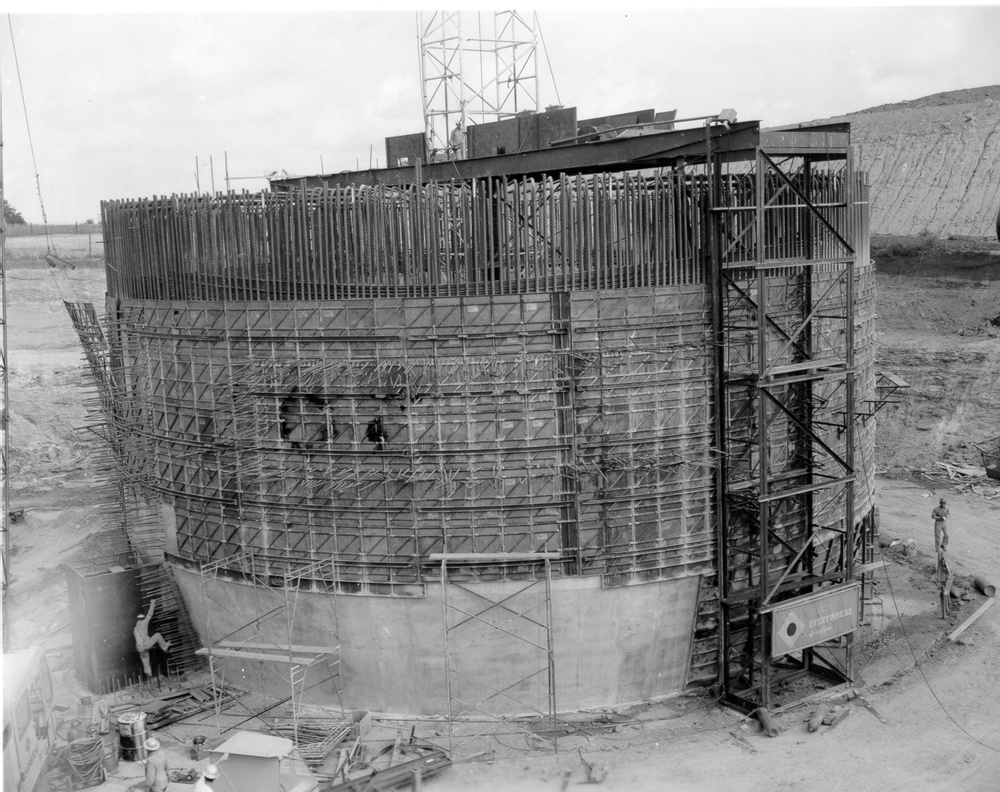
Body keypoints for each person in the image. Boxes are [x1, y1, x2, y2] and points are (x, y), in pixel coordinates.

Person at [135, 598, 171, 676]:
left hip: (139, 647)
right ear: (142, 618)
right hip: (146, 644)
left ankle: (148, 672)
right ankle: (164, 646)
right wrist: (152, 604)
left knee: (145, 657)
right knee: (157, 635)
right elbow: (150, 614)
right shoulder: (144, 622)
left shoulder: (135, 628)